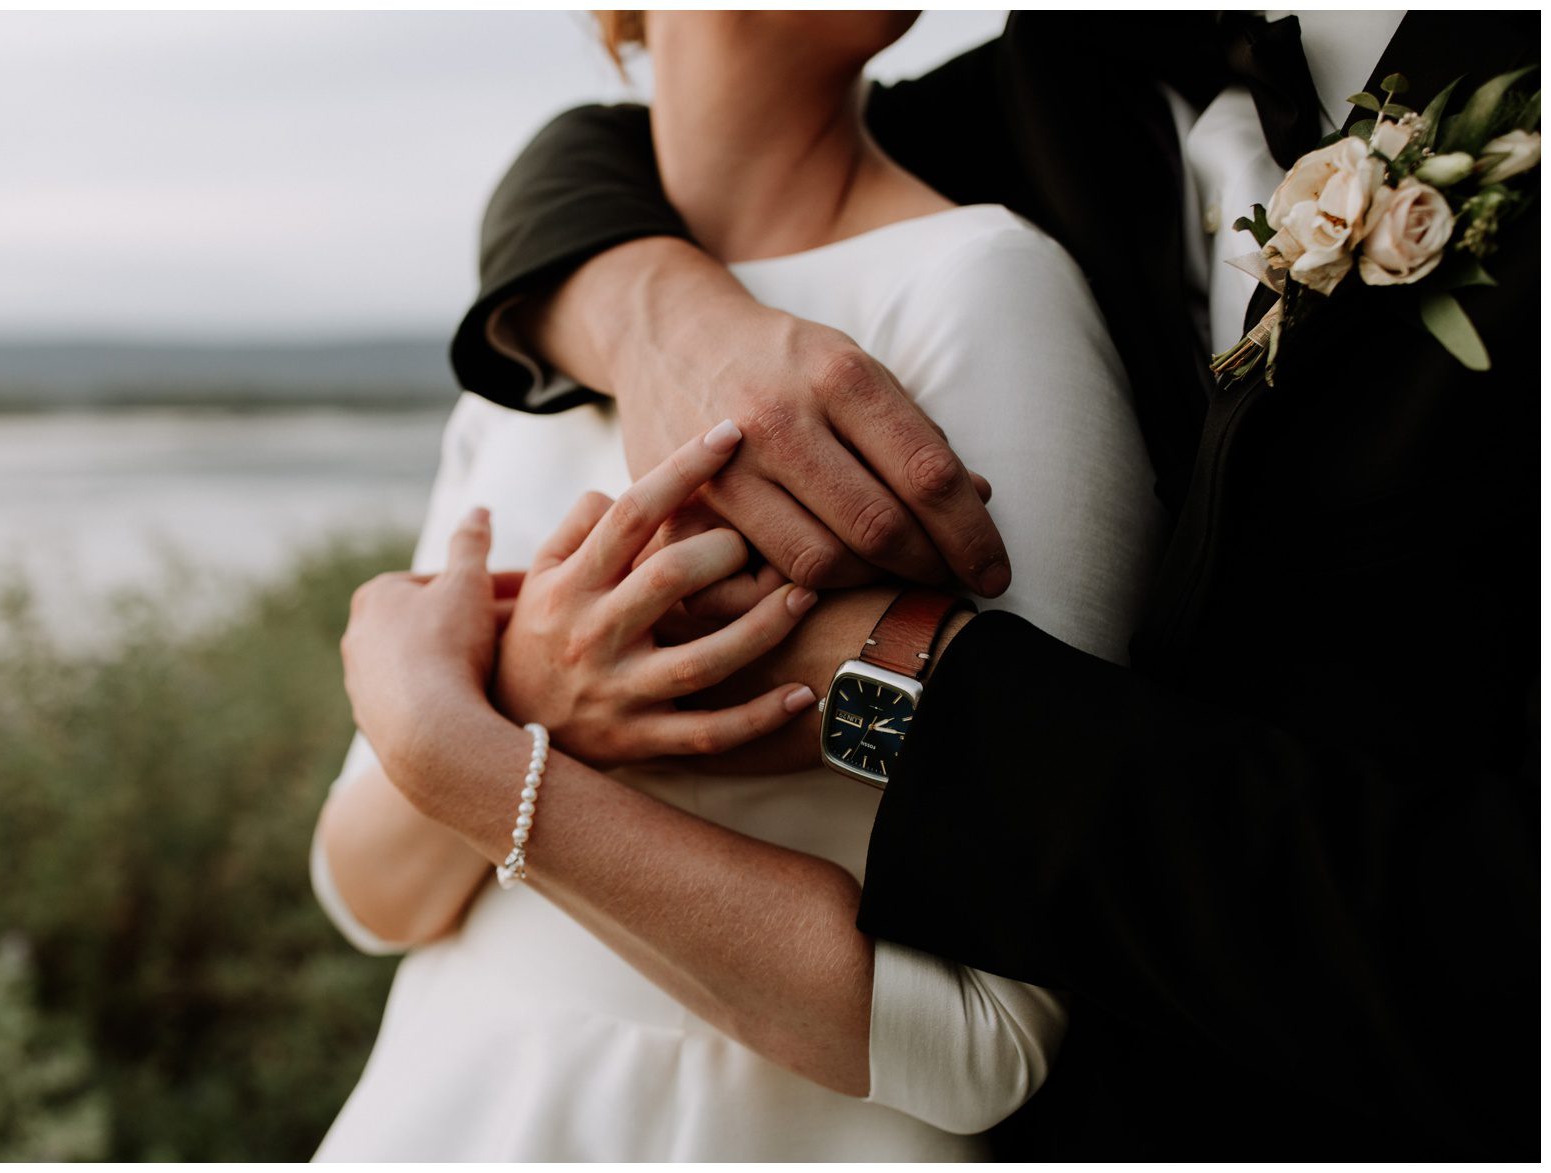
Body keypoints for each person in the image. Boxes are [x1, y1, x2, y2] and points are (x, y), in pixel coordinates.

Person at [427, 8, 1540, 1160]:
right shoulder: (1066, 72)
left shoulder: (989, 269)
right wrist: (657, 314)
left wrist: (872, 681)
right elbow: (624, 146)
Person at [310, 11, 1165, 1161]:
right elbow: (366, 897)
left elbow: (990, 1037)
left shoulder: (982, 288)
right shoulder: (538, 336)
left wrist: (468, 753)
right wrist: (528, 695)